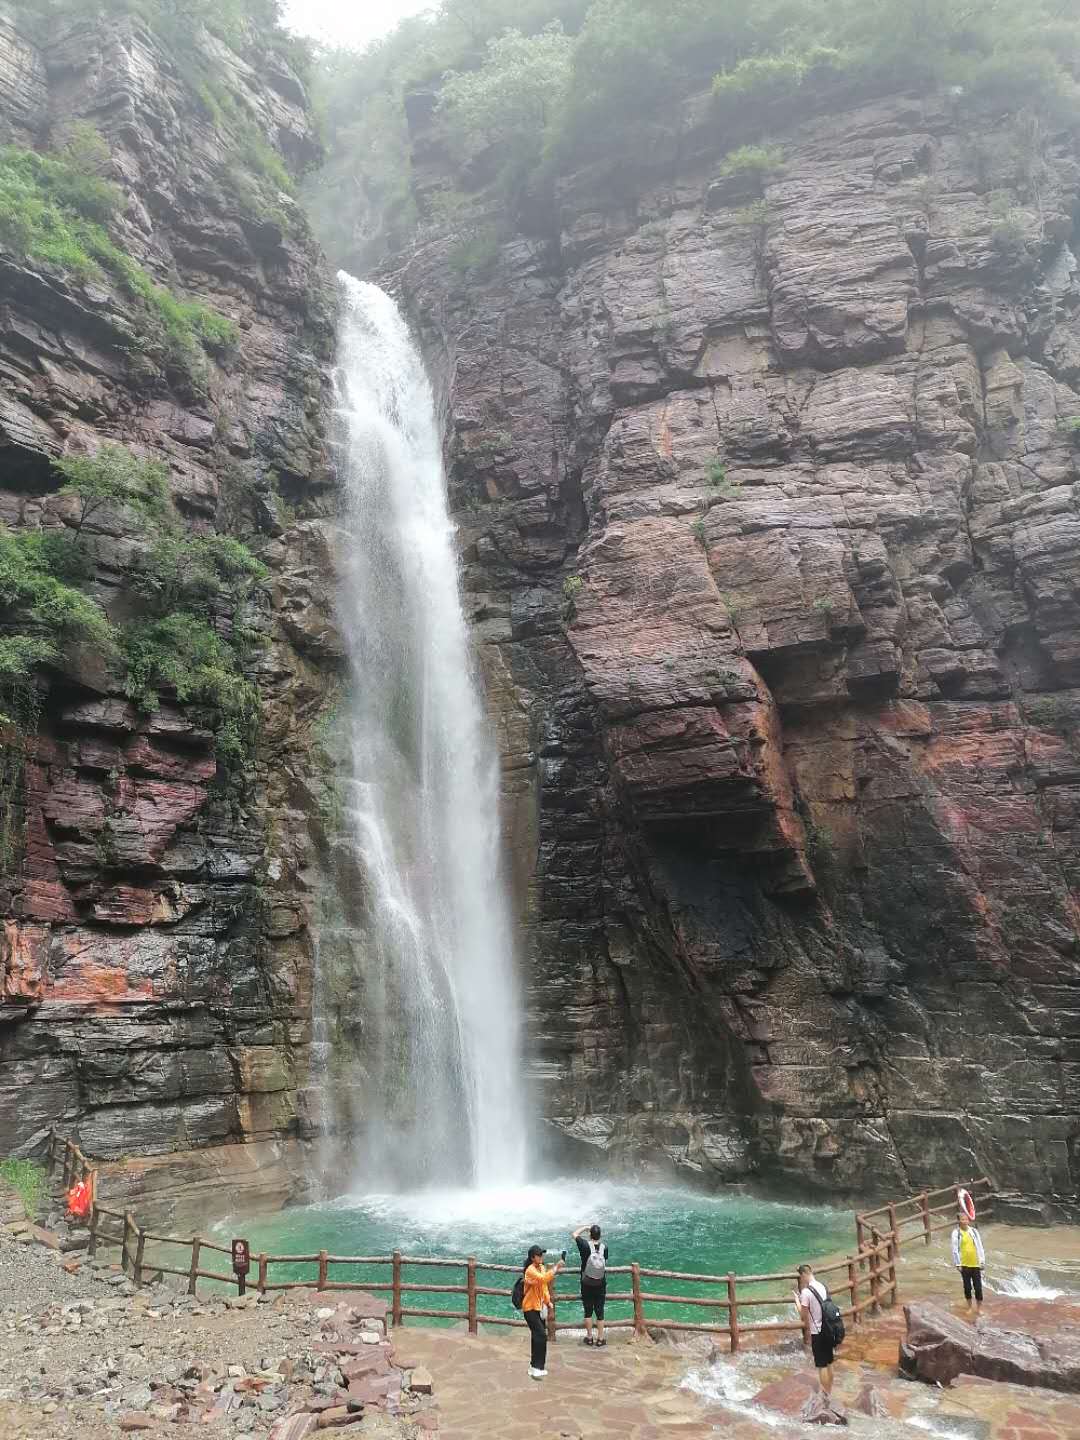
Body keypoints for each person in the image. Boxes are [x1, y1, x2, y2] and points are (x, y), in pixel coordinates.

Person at [522, 1243, 564, 1380]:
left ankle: (536, 1367)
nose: (541, 1256)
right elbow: (544, 1279)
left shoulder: (541, 1267)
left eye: (542, 1254)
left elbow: (544, 1286)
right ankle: (536, 1367)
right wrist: (556, 1267)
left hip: (539, 1307)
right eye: (539, 1255)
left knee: (537, 1337)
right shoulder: (530, 1270)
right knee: (541, 1335)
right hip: (529, 1308)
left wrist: (548, 1301)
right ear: (533, 1257)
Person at [794, 1263, 835, 1397]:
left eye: (800, 1277)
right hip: (829, 1328)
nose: (801, 1280)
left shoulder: (806, 1292)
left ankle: (825, 1393)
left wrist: (797, 1301)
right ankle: (830, 1390)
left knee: (822, 1364)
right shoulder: (822, 1286)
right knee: (829, 1362)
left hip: (817, 1331)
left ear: (804, 1275)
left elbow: (803, 1315)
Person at [572, 1222, 609, 1347]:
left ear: (590, 1234)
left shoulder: (584, 1245)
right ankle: (600, 1338)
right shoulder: (605, 1247)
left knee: (588, 1311)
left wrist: (585, 1227)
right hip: (600, 1283)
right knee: (600, 1312)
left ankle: (589, 1337)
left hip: (586, 1282)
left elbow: (574, 1234)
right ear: (600, 1235)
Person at [951, 1210, 986, 1313]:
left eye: (966, 1219)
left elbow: (980, 1247)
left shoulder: (974, 1231)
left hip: (975, 1263)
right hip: (964, 1264)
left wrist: (982, 1261)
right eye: (963, 1219)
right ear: (959, 1221)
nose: (965, 1221)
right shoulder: (956, 1233)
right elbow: (955, 1249)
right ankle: (970, 1307)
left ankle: (979, 1309)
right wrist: (958, 1264)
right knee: (967, 1287)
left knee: (978, 1287)